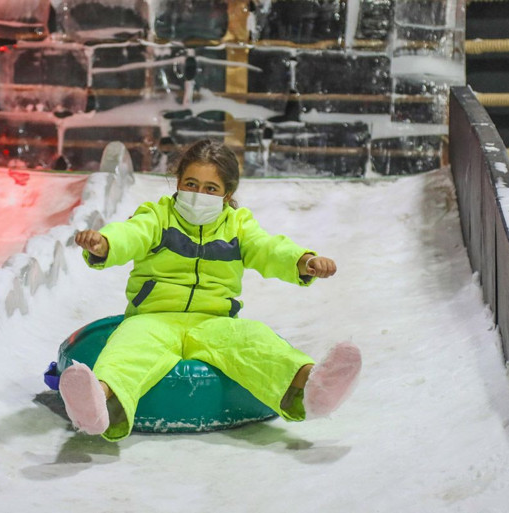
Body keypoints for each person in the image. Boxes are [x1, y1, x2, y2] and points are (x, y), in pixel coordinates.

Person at [62, 139, 361, 442]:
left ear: (227, 194)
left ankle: (315, 385)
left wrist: (303, 261)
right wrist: (104, 244)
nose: (198, 194)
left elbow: (268, 248)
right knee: (128, 348)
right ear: (178, 183)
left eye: (210, 189)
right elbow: (131, 234)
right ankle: (96, 402)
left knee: (256, 341)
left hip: (214, 321)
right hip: (153, 318)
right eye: (191, 184)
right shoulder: (157, 216)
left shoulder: (237, 226)